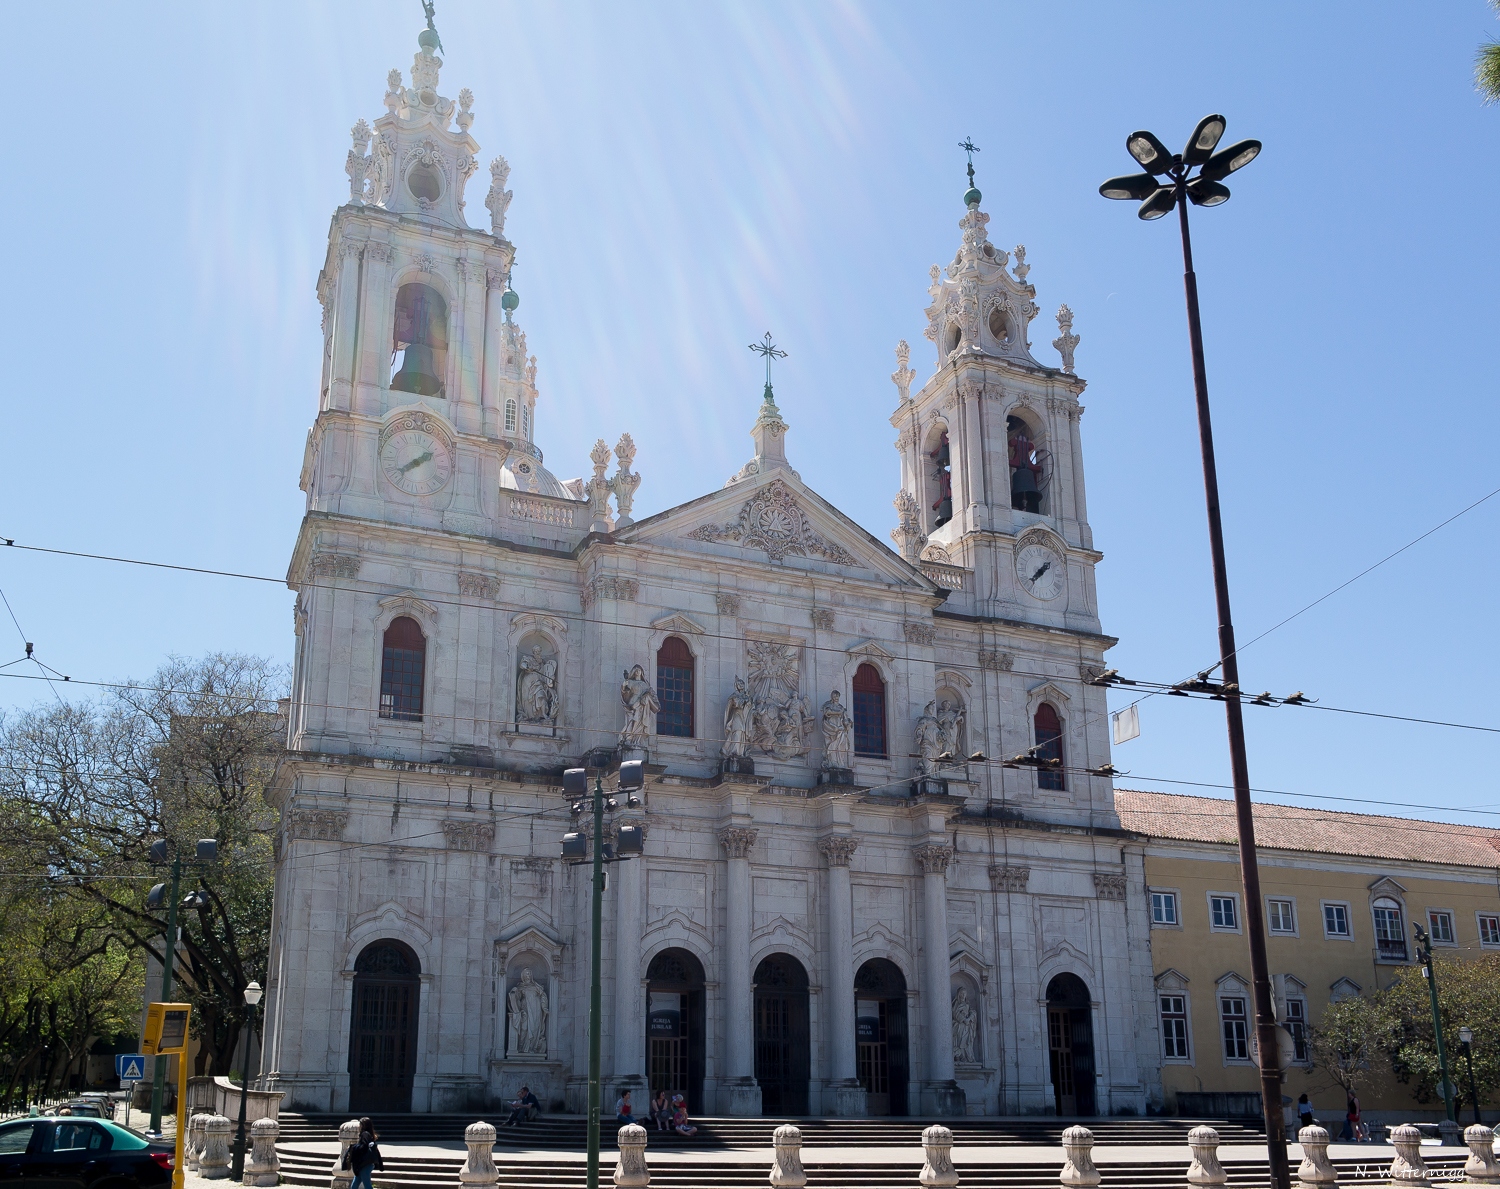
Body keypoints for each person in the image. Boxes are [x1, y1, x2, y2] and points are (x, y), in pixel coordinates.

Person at [348, 1118, 382, 1189]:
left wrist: (354, 1147)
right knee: (354, 1185)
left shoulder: (364, 1134)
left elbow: (364, 1146)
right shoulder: (370, 1134)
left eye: (360, 1124)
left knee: (367, 1185)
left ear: (363, 1125)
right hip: (365, 1163)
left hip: (364, 1164)